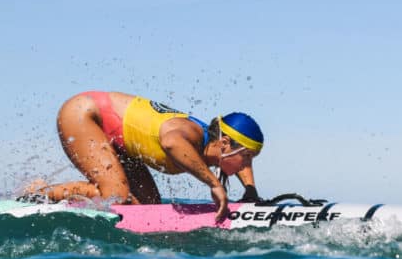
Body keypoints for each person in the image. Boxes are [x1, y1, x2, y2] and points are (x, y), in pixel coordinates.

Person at [34, 90, 263, 219]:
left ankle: (67, 199)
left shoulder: (217, 147)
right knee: (116, 196)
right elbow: (171, 142)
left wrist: (250, 191)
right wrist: (214, 184)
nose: (247, 165)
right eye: (248, 157)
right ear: (224, 143)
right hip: (86, 114)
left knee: (147, 206)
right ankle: (39, 193)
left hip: (121, 141)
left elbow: (241, 164)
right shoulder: (190, 133)